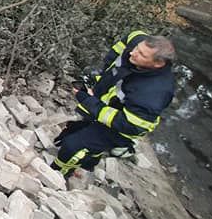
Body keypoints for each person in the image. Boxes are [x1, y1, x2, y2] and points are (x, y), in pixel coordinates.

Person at [52, 31, 175, 178]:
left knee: (72, 146)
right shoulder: (136, 39)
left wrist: (90, 102)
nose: (132, 53)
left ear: (158, 63)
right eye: (136, 48)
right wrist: (99, 82)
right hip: (108, 103)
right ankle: (90, 160)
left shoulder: (154, 91)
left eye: (142, 55)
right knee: (75, 131)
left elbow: (130, 125)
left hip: (122, 128)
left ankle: (57, 174)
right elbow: (115, 57)